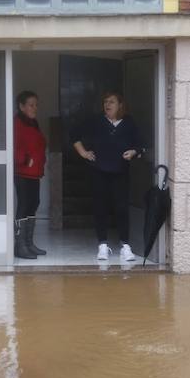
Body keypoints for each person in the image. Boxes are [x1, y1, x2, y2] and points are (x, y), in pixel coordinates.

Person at [71, 91, 145, 262]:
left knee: (121, 208)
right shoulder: (96, 121)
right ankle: (102, 246)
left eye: (111, 102)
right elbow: (74, 134)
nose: (107, 105)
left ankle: (125, 246)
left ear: (120, 105)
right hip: (99, 171)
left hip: (120, 172)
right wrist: (83, 153)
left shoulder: (129, 122)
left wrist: (133, 152)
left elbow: (141, 144)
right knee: (100, 208)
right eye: (105, 102)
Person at [13, 90, 47, 260]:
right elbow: (12, 146)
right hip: (23, 172)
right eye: (31, 105)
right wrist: (25, 160)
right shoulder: (17, 123)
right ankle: (20, 247)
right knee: (24, 205)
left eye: (36, 105)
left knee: (34, 203)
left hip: (34, 173)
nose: (35, 108)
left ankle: (29, 243)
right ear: (21, 106)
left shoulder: (33, 123)